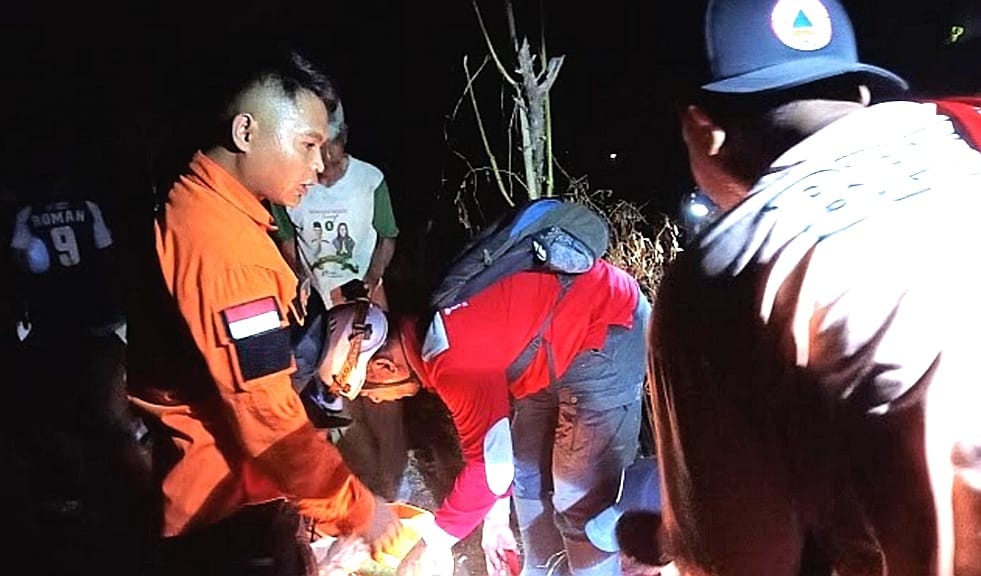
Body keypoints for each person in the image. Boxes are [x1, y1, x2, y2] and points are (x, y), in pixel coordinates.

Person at [647, 1, 981, 575]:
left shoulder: (727, 267)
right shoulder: (970, 171)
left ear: (704, 130)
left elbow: (741, 561)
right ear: (860, 97)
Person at [126, 48, 403, 576]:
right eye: (308, 145)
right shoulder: (224, 249)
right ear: (247, 132)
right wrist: (360, 510)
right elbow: (266, 419)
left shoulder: (207, 206)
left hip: (224, 488)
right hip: (223, 503)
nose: (319, 166)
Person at [340, 253, 651, 576]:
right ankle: (539, 570)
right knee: (527, 474)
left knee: (578, 496)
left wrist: (431, 543)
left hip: (605, 324)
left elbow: (490, 467)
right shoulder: (430, 339)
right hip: (546, 345)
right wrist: (496, 519)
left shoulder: (450, 358)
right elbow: (494, 449)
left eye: (367, 391)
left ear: (384, 368)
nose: (374, 400)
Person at [270, 95, 407, 501]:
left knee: (381, 396)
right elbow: (287, 240)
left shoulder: (369, 180)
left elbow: (388, 236)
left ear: (345, 137)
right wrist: (299, 277)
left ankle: (394, 490)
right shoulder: (293, 185)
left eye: (333, 144)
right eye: (316, 146)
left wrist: (371, 278)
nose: (326, 158)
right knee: (339, 397)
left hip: (369, 302)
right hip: (321, 309)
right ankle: (367, 490)